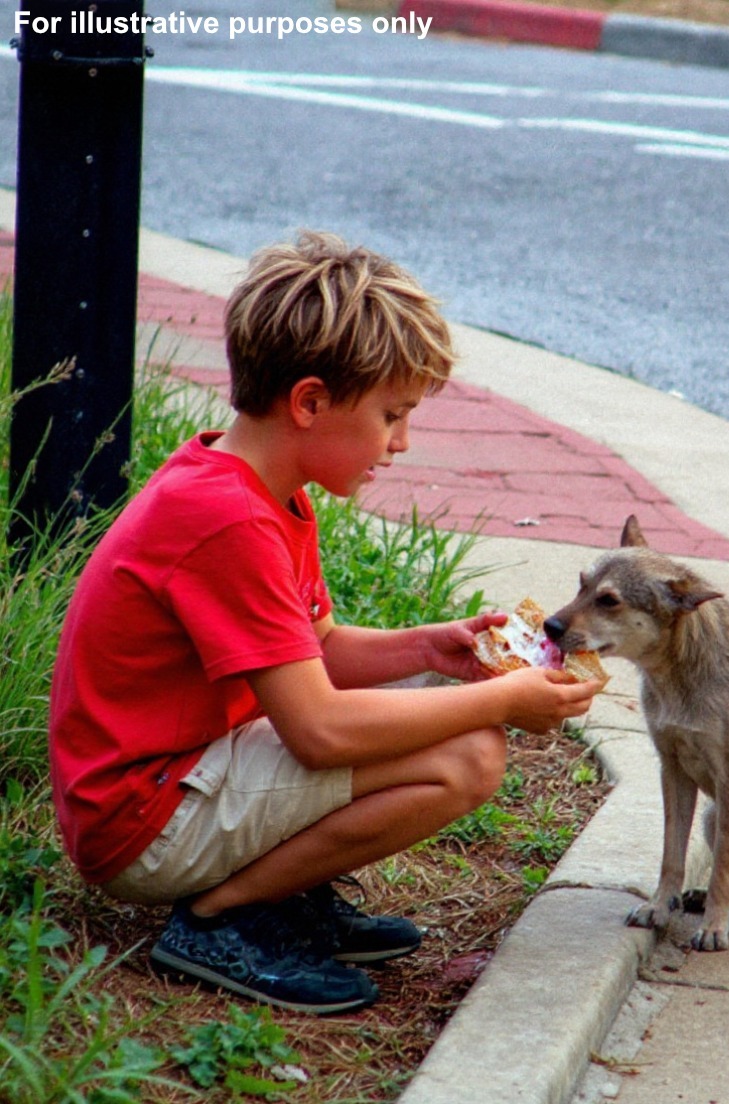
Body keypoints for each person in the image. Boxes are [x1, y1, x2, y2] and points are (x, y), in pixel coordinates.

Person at [48, 231, 600, 1015]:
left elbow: (318, 652)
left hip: (186, 768)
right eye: (391, 415)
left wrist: (432, 649)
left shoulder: (260, 488)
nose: (401, 443)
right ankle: (223, 915)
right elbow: (320, 732)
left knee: (441, 707)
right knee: (471, 753)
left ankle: (276, 893)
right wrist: (504, 703)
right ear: (309, 402)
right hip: (143, 821)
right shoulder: (227, 520)